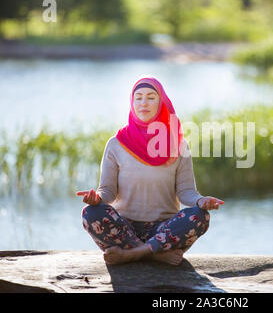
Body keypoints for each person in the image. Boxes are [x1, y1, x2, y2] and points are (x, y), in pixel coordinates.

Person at [76, 75, 224, 266]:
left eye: (151, 97)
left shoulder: (178, 145)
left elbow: (186, 192)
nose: (143, 103)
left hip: (163, 229)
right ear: (132, 102)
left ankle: (131, 254)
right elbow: (108, 191)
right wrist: (96, 198)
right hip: (124, 228)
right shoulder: (116, 144)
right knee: (91, 213)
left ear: (161, 102)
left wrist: (200, 200)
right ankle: (152, 254)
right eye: (138, 98)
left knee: (199, 216)